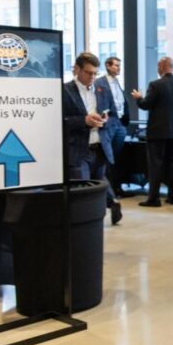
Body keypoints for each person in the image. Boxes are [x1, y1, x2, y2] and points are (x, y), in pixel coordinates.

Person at [62, 52, 121, 224]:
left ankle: (105, 211)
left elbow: (114, 116)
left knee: (99, 184)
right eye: (88, 73)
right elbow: (58, 121)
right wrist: (84, 121)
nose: (93, 77)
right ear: (77, 69)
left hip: (100, 147)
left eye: (95, 73)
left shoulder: (103, 90)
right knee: (83, 189)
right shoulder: (64, 91)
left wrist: (105, 120)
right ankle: (83, 227)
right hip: (78, 150)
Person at [131, 56, 173, 207]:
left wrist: (138, 98)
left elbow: (145, 105)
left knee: (155, 165)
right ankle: (172, 196)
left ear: (162, 67)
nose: (157, 69)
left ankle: (154, 199)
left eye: (158, 66)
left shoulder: (155, 85)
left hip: (157, 132)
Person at [95, 56, 130, 196]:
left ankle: (116, 188)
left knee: (117, 158)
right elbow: (100, 104)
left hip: (120, 123)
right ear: (107, 66)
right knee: (108, 158)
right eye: (116, 65)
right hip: (109, 124)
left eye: (119, 65)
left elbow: (121, 102)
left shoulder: (117, 82)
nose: (118, 68)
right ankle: (109, 191)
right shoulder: (100, 83)